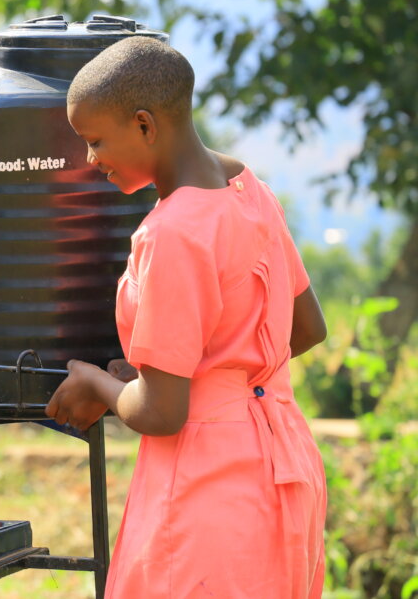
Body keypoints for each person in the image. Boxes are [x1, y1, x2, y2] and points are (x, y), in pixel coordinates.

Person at [46, 37, 328, 598]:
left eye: (96, 141)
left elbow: (162, 412)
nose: (90, 159)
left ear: (146, 126)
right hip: (286, 473)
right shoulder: (250, 191)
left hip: (210, 493)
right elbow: (306, 328)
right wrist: (204, 375)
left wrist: (96, 383)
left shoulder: (171, 232)